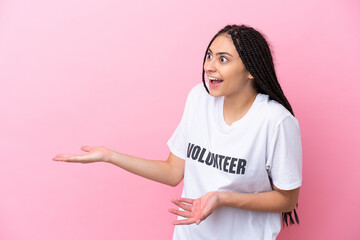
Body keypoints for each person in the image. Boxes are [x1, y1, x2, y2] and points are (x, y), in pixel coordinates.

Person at [53, 24, 302, 240]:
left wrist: (222, 198)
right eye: (209, 56)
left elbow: (287, 200)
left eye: (223, 59)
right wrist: (110, 156)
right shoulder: (199, 98)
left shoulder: (275, 121)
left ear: (250, 70)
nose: (210, 66)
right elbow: (173, 171)